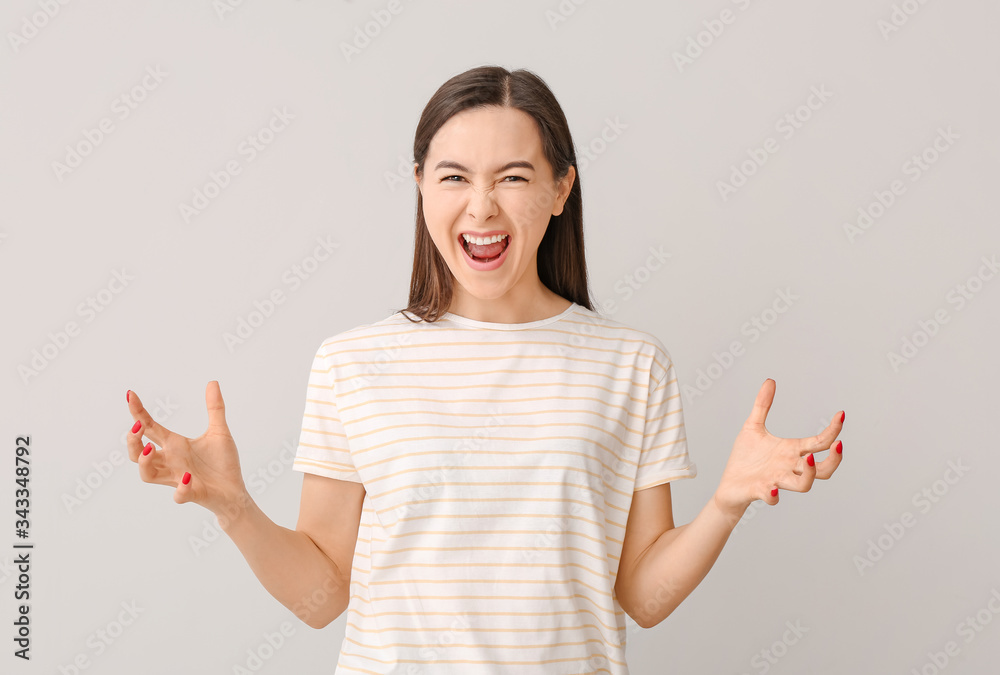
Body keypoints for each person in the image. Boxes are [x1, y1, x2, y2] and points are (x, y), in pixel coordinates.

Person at [125, 65, 845, 674]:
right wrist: (234, 507)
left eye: (513, 176)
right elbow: (323, 596)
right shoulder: (353, 363)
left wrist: (726, 502)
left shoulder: (631, 364)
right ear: (419, 185)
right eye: (454, 177)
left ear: (561, 189)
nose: (481, 207)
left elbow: (644, 600)